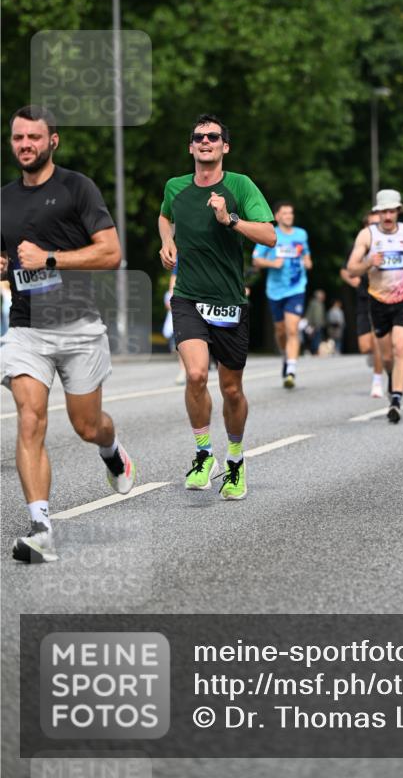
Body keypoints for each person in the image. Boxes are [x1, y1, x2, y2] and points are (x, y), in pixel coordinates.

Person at [1, 106, 136, 563]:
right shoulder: (4, 199)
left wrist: (51, 259)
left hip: (78, 328)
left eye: (34, 138)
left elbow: (111, 252)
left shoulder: (78, 188)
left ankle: (112, 451)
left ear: (52, 141)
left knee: (86, 425)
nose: (25, 145)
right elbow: (5, 261)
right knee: (31, 417)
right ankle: (41, 527)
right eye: (18, 138)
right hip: (26, 329)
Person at [158, 115, 275, 499]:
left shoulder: (240, 185)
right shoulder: (176, 187)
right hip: (189, 297)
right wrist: (167, 242)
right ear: (191, 147)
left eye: (213, 137)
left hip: (228, 302)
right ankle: (203, 453)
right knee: (195, 375)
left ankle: (236, 460)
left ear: (225, 146)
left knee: (232, 390)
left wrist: (230, 219)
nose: (205, 141)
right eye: (198, 137)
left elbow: (270, 235)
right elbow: (164, 215)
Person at [346, 189, 403, 423]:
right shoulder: (367, 235)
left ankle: (396, 399)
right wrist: (369, 262)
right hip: (378, 301)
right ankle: (392, 377)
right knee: (387, 356)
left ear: (398, 211)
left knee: (401, 347)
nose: (388, 216)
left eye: (392, 211)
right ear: (377, 213)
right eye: (383, 211)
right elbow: (352, 268)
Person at [252, 202, 312, 388]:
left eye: (291, 213)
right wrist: (272, 264)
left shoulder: (301, 234)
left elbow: (307, 255)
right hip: (275, 291)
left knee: (292, 328)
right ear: (277, 216)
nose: (289, 216)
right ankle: (286, 356)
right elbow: (256, 260)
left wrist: (308, 262)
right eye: (285, 213)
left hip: (296, 288)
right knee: (280, 330)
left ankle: (291, 370)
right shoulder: (270, 233)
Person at [339, 211, 384, 398]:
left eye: (377, 224)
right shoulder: (358, 246)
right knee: (365, 346)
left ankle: (377, 381)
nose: (373, 228)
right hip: (363, 298)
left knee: (377, 340)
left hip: (381, 297)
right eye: (370, 224)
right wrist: (353, 281)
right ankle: (373, 357)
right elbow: (344, 270)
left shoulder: (385, 244)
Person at [305, 289, 326, 355]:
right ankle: (314, 351)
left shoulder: (319, 304)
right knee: (315, 338)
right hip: (314, 325)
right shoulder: (315, 303)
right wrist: (311, 324)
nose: (323, 297)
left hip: (318, 324)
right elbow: (312, 315)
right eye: (322, 295)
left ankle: (315, 351)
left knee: (317, 338)